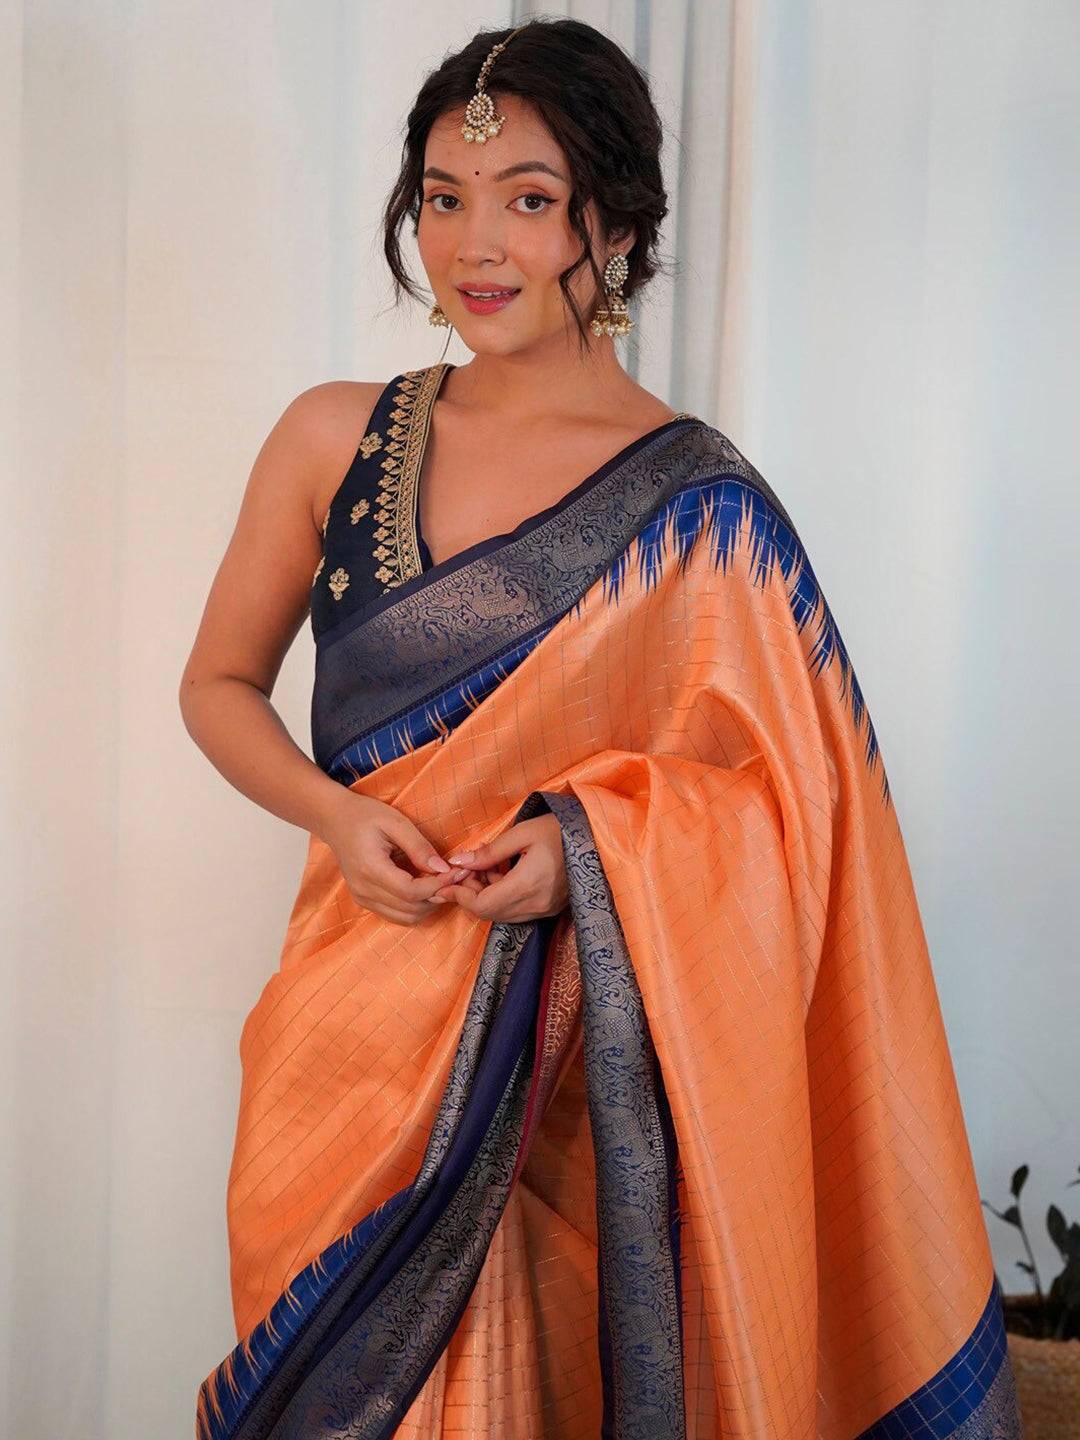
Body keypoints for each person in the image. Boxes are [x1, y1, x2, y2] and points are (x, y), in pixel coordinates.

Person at [182, 19, 1022, 1439]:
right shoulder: (333, 436)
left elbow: (801, 817)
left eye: (526, 197)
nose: (473, 244)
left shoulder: (700, 508)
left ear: (615, 226)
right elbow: (217, 687)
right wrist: (337, 813)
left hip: (578, 1096)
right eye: (443, 198)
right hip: (350, 1034)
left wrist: (588, 857)